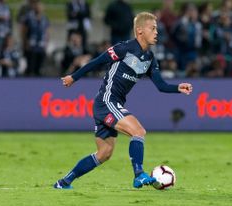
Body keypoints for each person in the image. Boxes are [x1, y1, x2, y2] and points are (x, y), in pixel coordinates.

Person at [54, 12, 192, 189]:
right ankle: (139, 174)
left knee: (104, 153)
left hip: (112, 104)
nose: (157, 32)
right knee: (138, 131)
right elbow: (97, 62)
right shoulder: (124, 48)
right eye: (153, 28)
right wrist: (73, 77)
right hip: (106, 101)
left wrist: (177, 88)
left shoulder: (150, 59)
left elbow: (161, 86)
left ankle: (63, 182)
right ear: (140, 31)